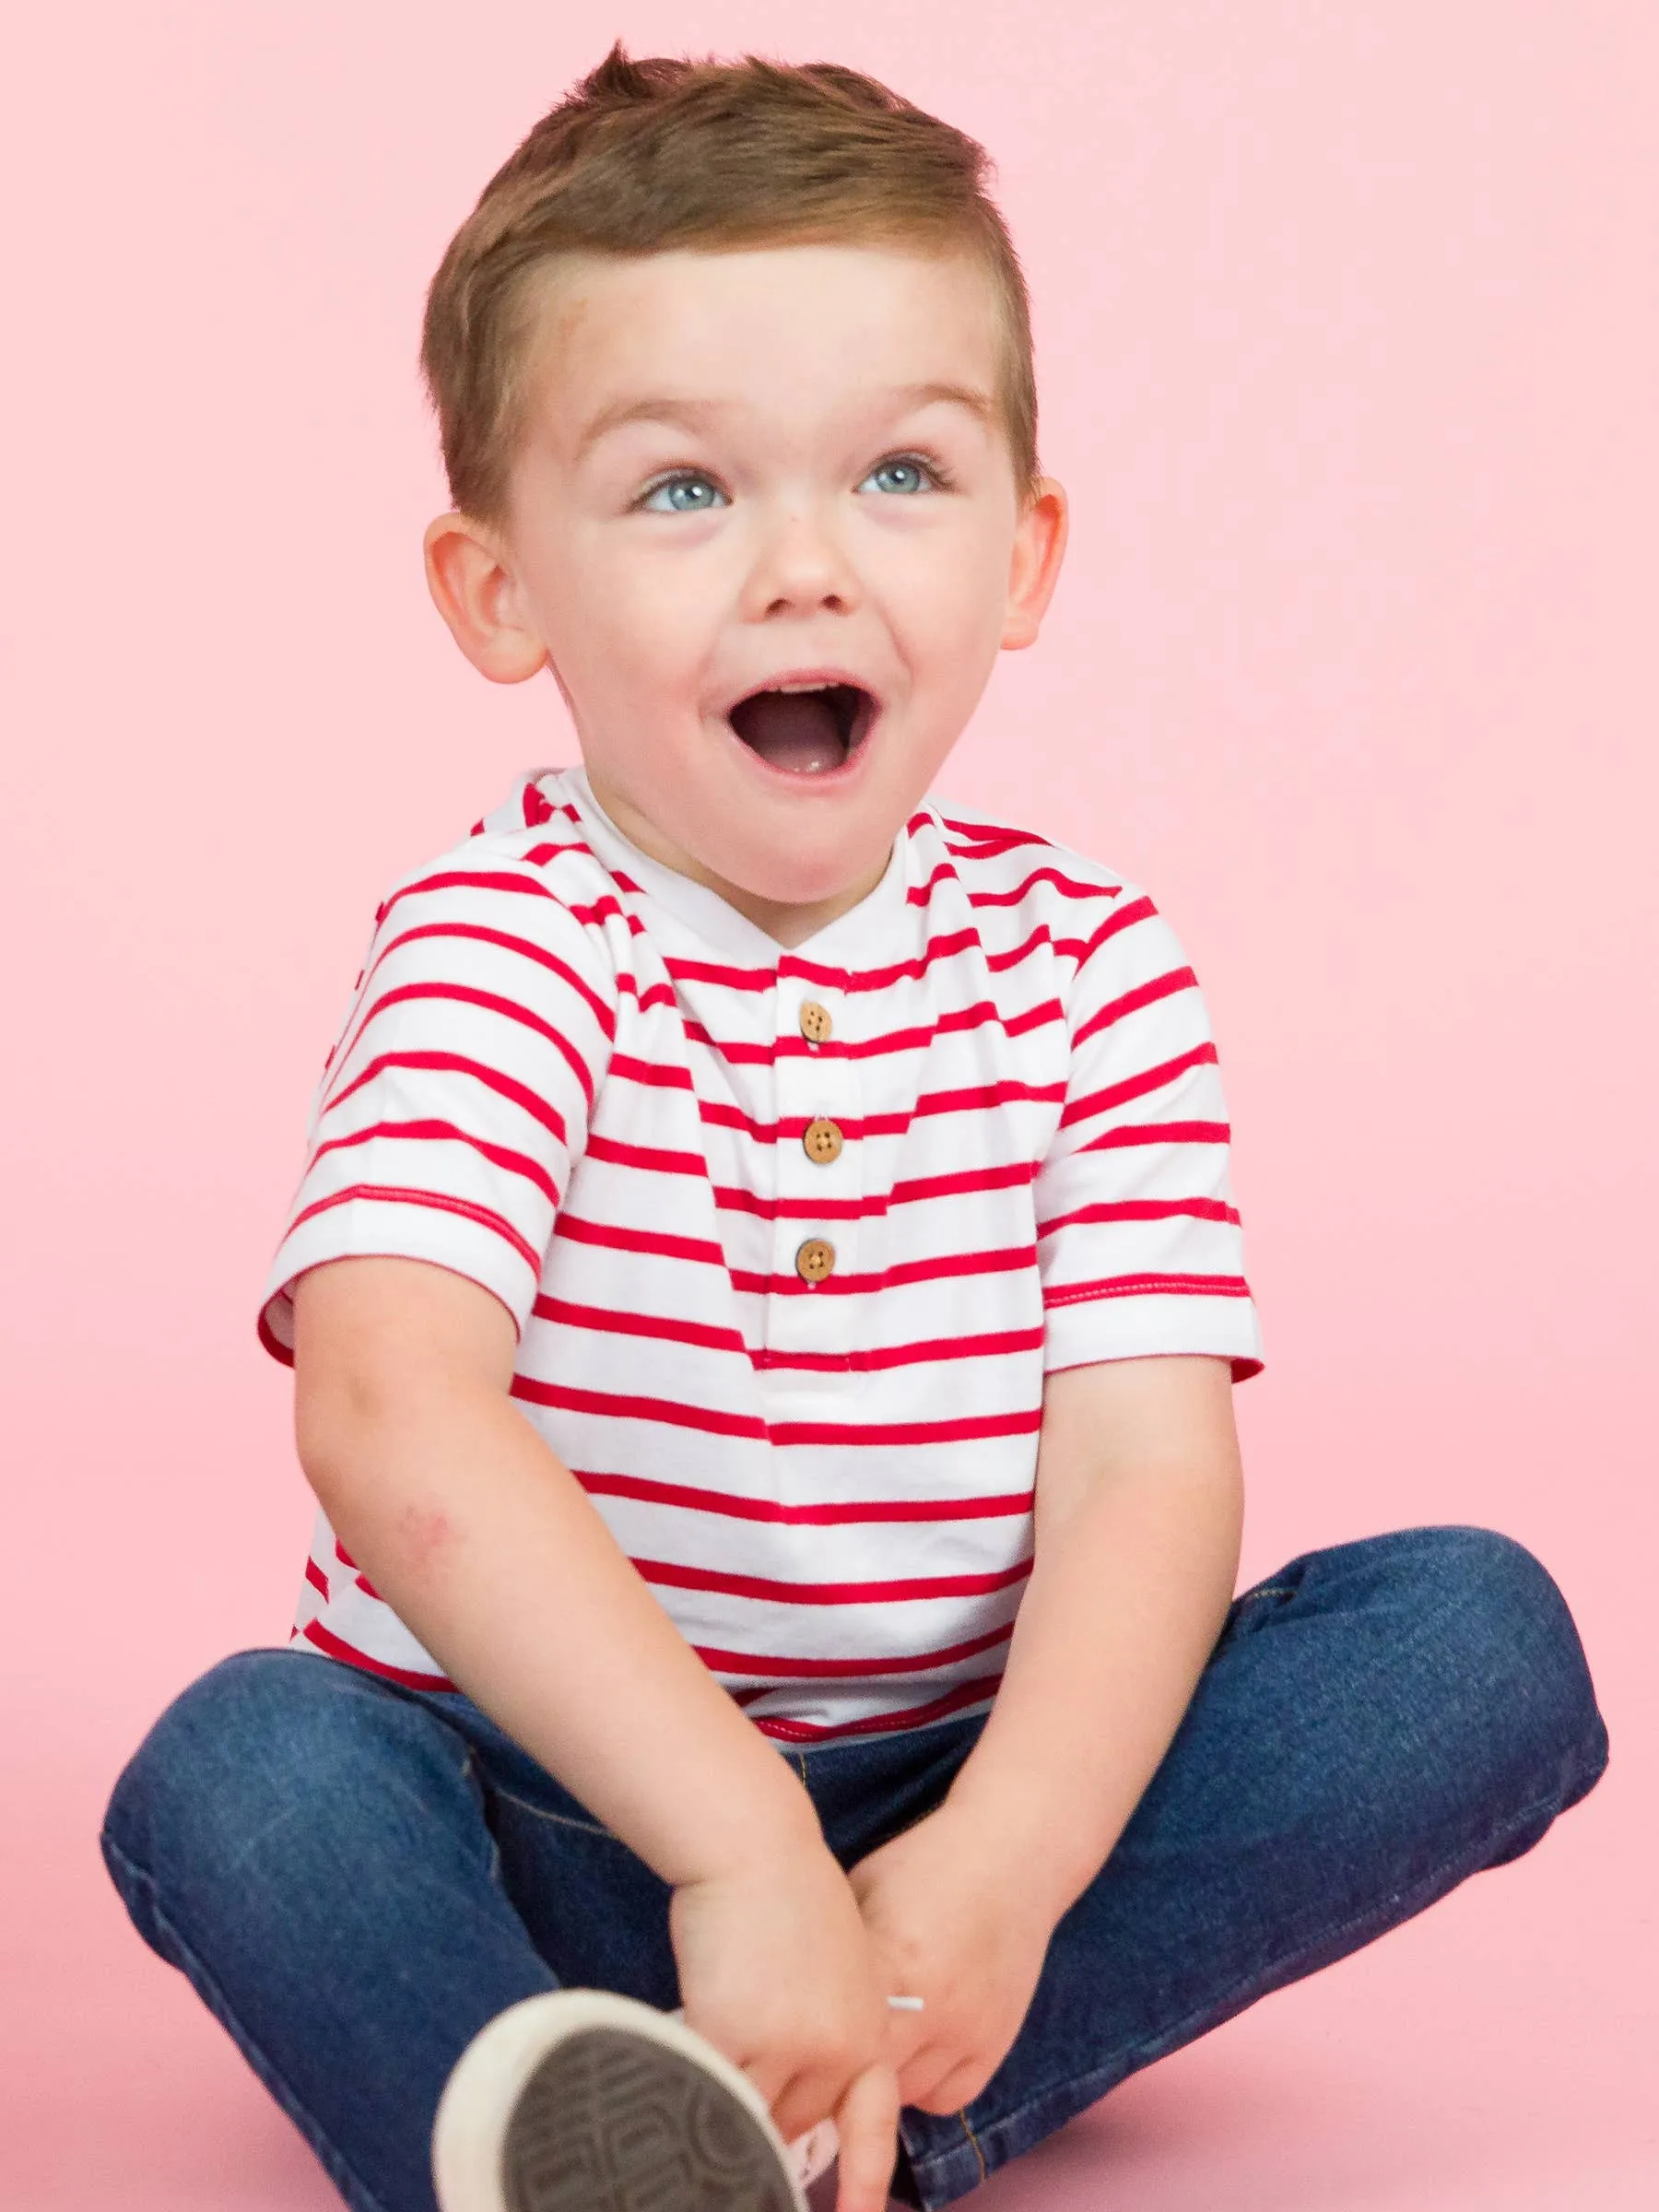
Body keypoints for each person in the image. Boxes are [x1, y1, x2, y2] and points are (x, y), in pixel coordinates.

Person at [100, 44, 1608, 2212]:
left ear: (1026, 547)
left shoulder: (1090, 964)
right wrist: (725, 1846)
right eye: (686, 492)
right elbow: (389, 1405)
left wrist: (989, 1871)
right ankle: (580, 2118)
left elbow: (1145, 1470)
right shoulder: (499, 941)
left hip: (957, 1834)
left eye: (898, 477)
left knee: (1476, 1642)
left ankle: (830, 2105)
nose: (805, 570)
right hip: (544, 1819)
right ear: (502, 591)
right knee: (242, 1777)